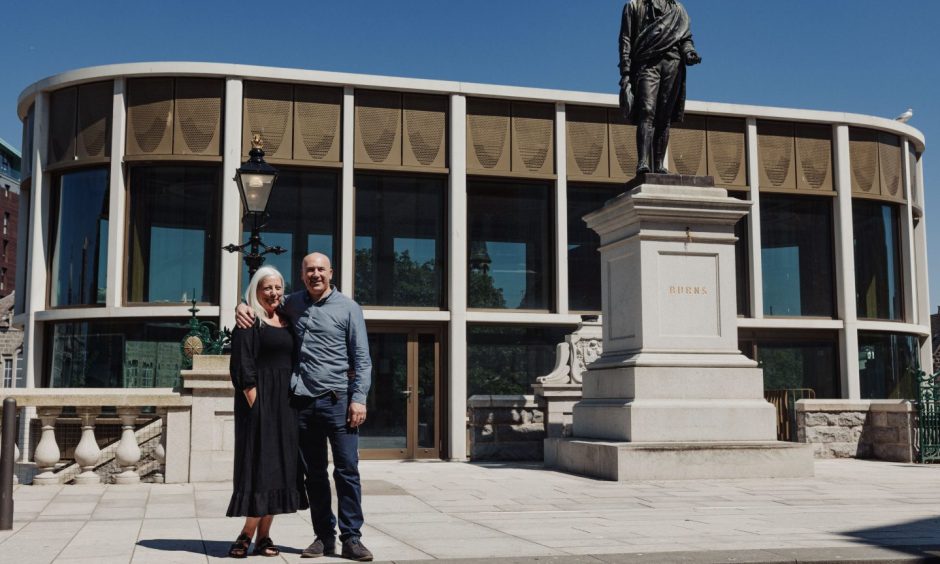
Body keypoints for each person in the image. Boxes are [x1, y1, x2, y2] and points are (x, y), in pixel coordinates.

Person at [236, 252, 374, 562]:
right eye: (309, 270)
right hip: (302, 403)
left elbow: (362, 358)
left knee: (347, 471)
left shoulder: (349, 309)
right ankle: (323, 537)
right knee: (314, 474)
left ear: (331, 273)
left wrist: (359, 398)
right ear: (302, 275)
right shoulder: (292, 304)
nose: (315, 274)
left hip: (339, 402)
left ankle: (351, 538)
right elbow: (262, 303)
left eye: (320, 269)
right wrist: (241, 306)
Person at [227, 266, 308, 558]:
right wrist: (257, 407)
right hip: (260, 406)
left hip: (287, 405)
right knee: (259, 469)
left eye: (278, 288)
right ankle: (246, 533)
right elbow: (242, 369)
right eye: (267, 288)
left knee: (280, 470)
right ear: (256, 291)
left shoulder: (287, 319)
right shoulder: (248, 321)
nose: (273, 293)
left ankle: (265, 536)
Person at [619, 0, 702, 174]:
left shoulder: (678, 9)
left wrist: (689, 51)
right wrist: (626, 72)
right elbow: (625, 39)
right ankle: (643, 162)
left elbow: (685, 37)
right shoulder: (634, 6)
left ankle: (659, 164)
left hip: (673, 63)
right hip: (647, 63)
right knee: (647, 110)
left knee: (665, 116)